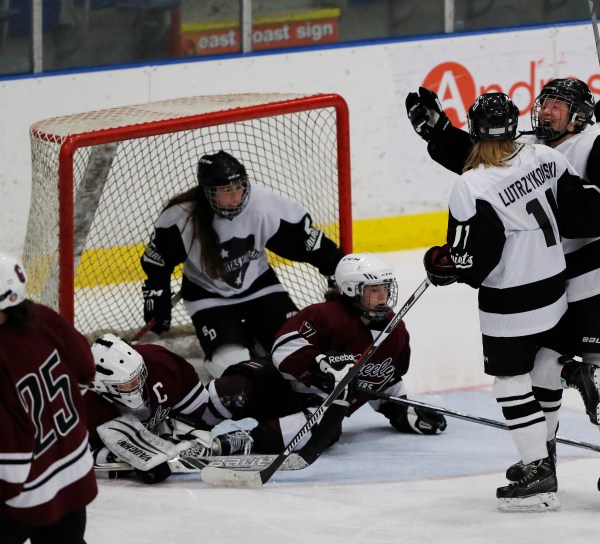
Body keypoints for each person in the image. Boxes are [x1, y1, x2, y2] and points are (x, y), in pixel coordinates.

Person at [407, 80, 600, 506]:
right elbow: (478, 159)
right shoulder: (529, 147)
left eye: (557, 106)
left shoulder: (592, 145)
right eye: (543, 103)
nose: (544, 112)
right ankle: (542, 459)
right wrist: (438, 132)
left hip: (599, 275)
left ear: (579, 114)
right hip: (553, 280)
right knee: (544, 371)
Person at [206, 252, 447, 454]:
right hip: (278, 387)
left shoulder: (395, 332)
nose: (383, 297)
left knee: (326, 429)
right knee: (235, 391)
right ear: (352, 290)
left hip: (317, 407)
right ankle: (186, 419)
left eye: (385, 288)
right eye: (373, 290)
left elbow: (383, 382)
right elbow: (283, 347)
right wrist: (322, 365)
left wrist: (404, 411)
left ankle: (243, 440)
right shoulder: (325, 316)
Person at [141, 149, 345, 379]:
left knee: (298, 351)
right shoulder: (181, 217)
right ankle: (243, 343)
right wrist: (157, 295)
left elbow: (306, 242)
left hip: (260, 288)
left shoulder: (264, 205)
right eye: (226, 190)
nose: (236, 196)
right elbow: (158, 260)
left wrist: (337, 270)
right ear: (207, 192)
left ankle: (260, 340)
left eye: (239, 186)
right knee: (233, 368)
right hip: (208, 298)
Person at [0, 251, 98, 543]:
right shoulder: (44, 316)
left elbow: (9, 444)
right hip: (73, 469)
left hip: (26, 491)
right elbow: (85, 368)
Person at [85, 333, 251, 484]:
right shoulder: (82, 403)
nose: (139, 385)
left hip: (161, 425)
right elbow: (76, 457)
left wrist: (185, 432)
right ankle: (218, 444)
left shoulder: (157, 361)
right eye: (128, 384)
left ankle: (220, 443)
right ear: (101, 385)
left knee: (201, 428)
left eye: (140, 376)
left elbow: (195, 399)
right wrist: (123, 456)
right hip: (115, 440)